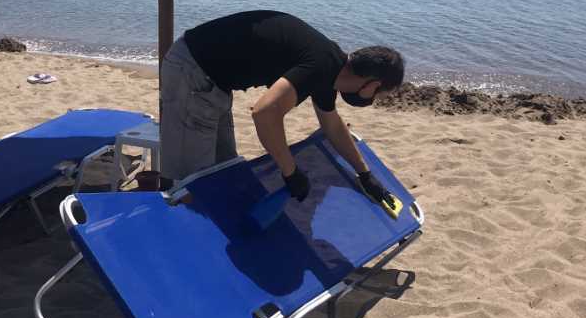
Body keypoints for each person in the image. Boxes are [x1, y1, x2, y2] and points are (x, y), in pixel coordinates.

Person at [159, 10, 405, 203]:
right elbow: (264, 113)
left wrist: (364, 173)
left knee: (223, 169)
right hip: (191, 70)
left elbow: (331, 124)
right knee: (192, 181)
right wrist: (290, 171)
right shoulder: (320, 66)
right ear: (372, 83)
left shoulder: (332, 68)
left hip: (215, 80)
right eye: (379, 93)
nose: (374, 99)